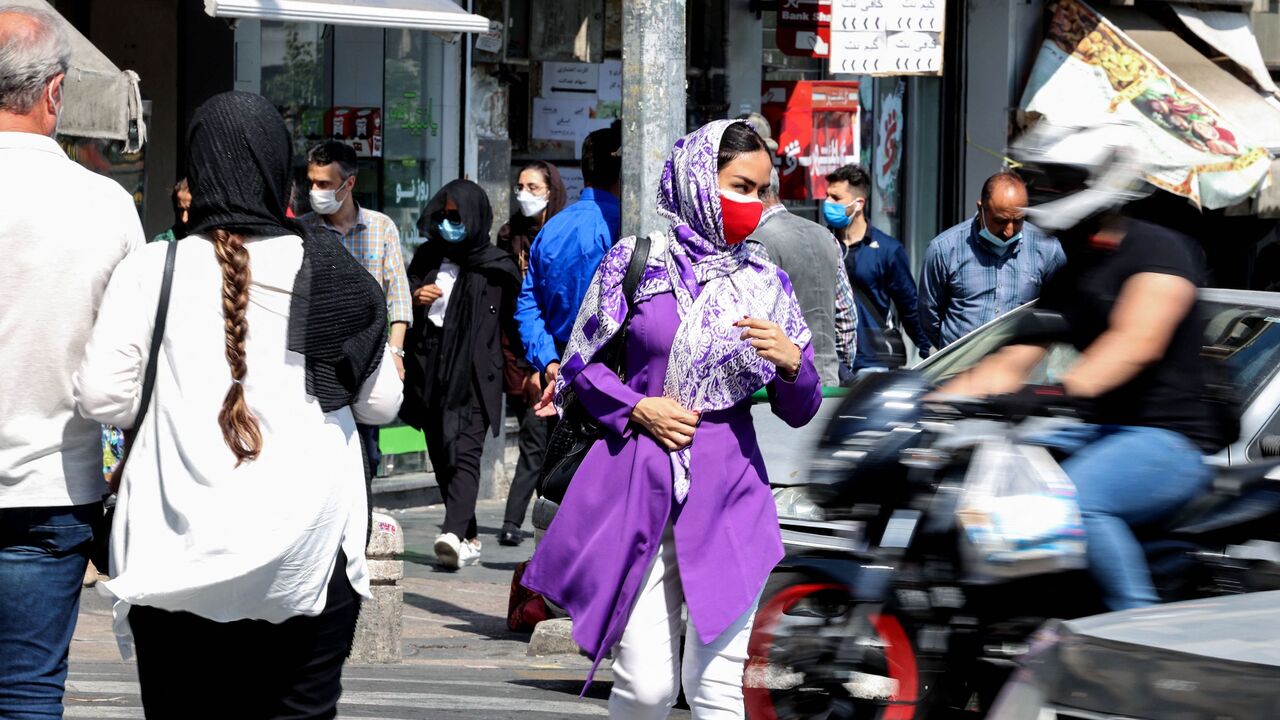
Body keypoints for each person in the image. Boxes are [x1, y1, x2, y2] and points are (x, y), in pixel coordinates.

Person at [73, 91, 401, 718]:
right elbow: (381, 402)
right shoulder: (329, 267)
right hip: (306, 561)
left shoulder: (153, 268)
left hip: (176, 554)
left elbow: (103, 396)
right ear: (276, 168)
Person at [522, 120, 822, 719]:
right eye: (741, 185)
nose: (755, 204)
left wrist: (792, 363)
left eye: (763, 191)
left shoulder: (765, 282)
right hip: (639, 486)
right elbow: (581, 364)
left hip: (731, 493)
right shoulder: (635, 263)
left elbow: (800, 408)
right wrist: (639, 407)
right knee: (647, 686)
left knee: (717, 689)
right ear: (697, 181)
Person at [944, 120, 1231, 611]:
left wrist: (1055, 391)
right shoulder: (1071, 271)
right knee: (962, 482)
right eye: (1044, 177)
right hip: (1099, 433)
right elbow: (1010, 359)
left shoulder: (1158, 251)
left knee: (1071, 503)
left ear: (1101, 181)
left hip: (1168, 440)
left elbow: (1133, 343)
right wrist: (922, 401)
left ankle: (1136, 637)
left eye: (1061, 177)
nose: (1046, 189)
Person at [0, 7, 145, 717]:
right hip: (51, 485)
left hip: (52, 491)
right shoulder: (107, 207)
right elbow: (127, 370)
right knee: (27, 692)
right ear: (55, 93)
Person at [400, 180, 522, 569]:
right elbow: (405, 295)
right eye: (444, 215)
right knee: (442, 453)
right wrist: (418, 296)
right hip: (430, 368)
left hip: (476, 373)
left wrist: (532, 372)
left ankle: (451, 532)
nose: (449, 223)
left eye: (456, 216)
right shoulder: (427, 258)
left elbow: (514, 326)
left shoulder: (496, 267)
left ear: (473, 217)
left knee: (466, 451)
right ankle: (467, 535)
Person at [302, 140, 412, 478]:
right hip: (318, 360)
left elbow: (399, 296)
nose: (314, 190)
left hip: (369, 360)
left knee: (367, 456)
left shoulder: (381, 228)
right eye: (311, 182)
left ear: (348, 184)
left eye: (324, 184)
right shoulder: (303, 230)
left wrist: (396, 350)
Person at [514, 122, 622, 395]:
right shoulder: (626, 228)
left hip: (562, 375)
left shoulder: (551, 229)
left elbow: (528, 305)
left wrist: (548, 360)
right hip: (617, 380)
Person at [496, 161, 567, 546]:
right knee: (532, 442)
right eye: (520, 185)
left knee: (558, 448)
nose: (523, 193)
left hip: (561, 361)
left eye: (532, 186)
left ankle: (549, 520)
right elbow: (512, 316)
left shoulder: (561, 237)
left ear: (550, 190)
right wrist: (524, 372)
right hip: (529, 364)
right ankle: (512, 520)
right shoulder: (509, 239)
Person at [918, 170, 1066, 350]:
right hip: (962, 371)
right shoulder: (944, 250)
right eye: (1001, 221)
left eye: (1018, 221)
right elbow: (929, 317)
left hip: (1020, 371)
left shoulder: (1047, 249)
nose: (1009, 231)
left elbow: (1059, 310)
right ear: (981, 209)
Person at [748, 167, 857, 386]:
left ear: (756, 191)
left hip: (781, 389)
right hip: (826, 380)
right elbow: (846, 319)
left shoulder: (756, 244)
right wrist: (835, 366)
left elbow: (752, 326)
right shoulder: (826, 236)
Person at [823, 164, 932, 370]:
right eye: (827, 196)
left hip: (873, 361)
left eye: (836, 198)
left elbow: (908, 306)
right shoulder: (820, 243)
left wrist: (929, 350)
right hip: (829, 360)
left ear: (859, 203)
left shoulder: (888, 250)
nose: (827, 203)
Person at [151, 177, 191, 243]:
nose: (184, 219)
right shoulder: (164, 242)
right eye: (181, 210)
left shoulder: (212, 240)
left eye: (190, 210)